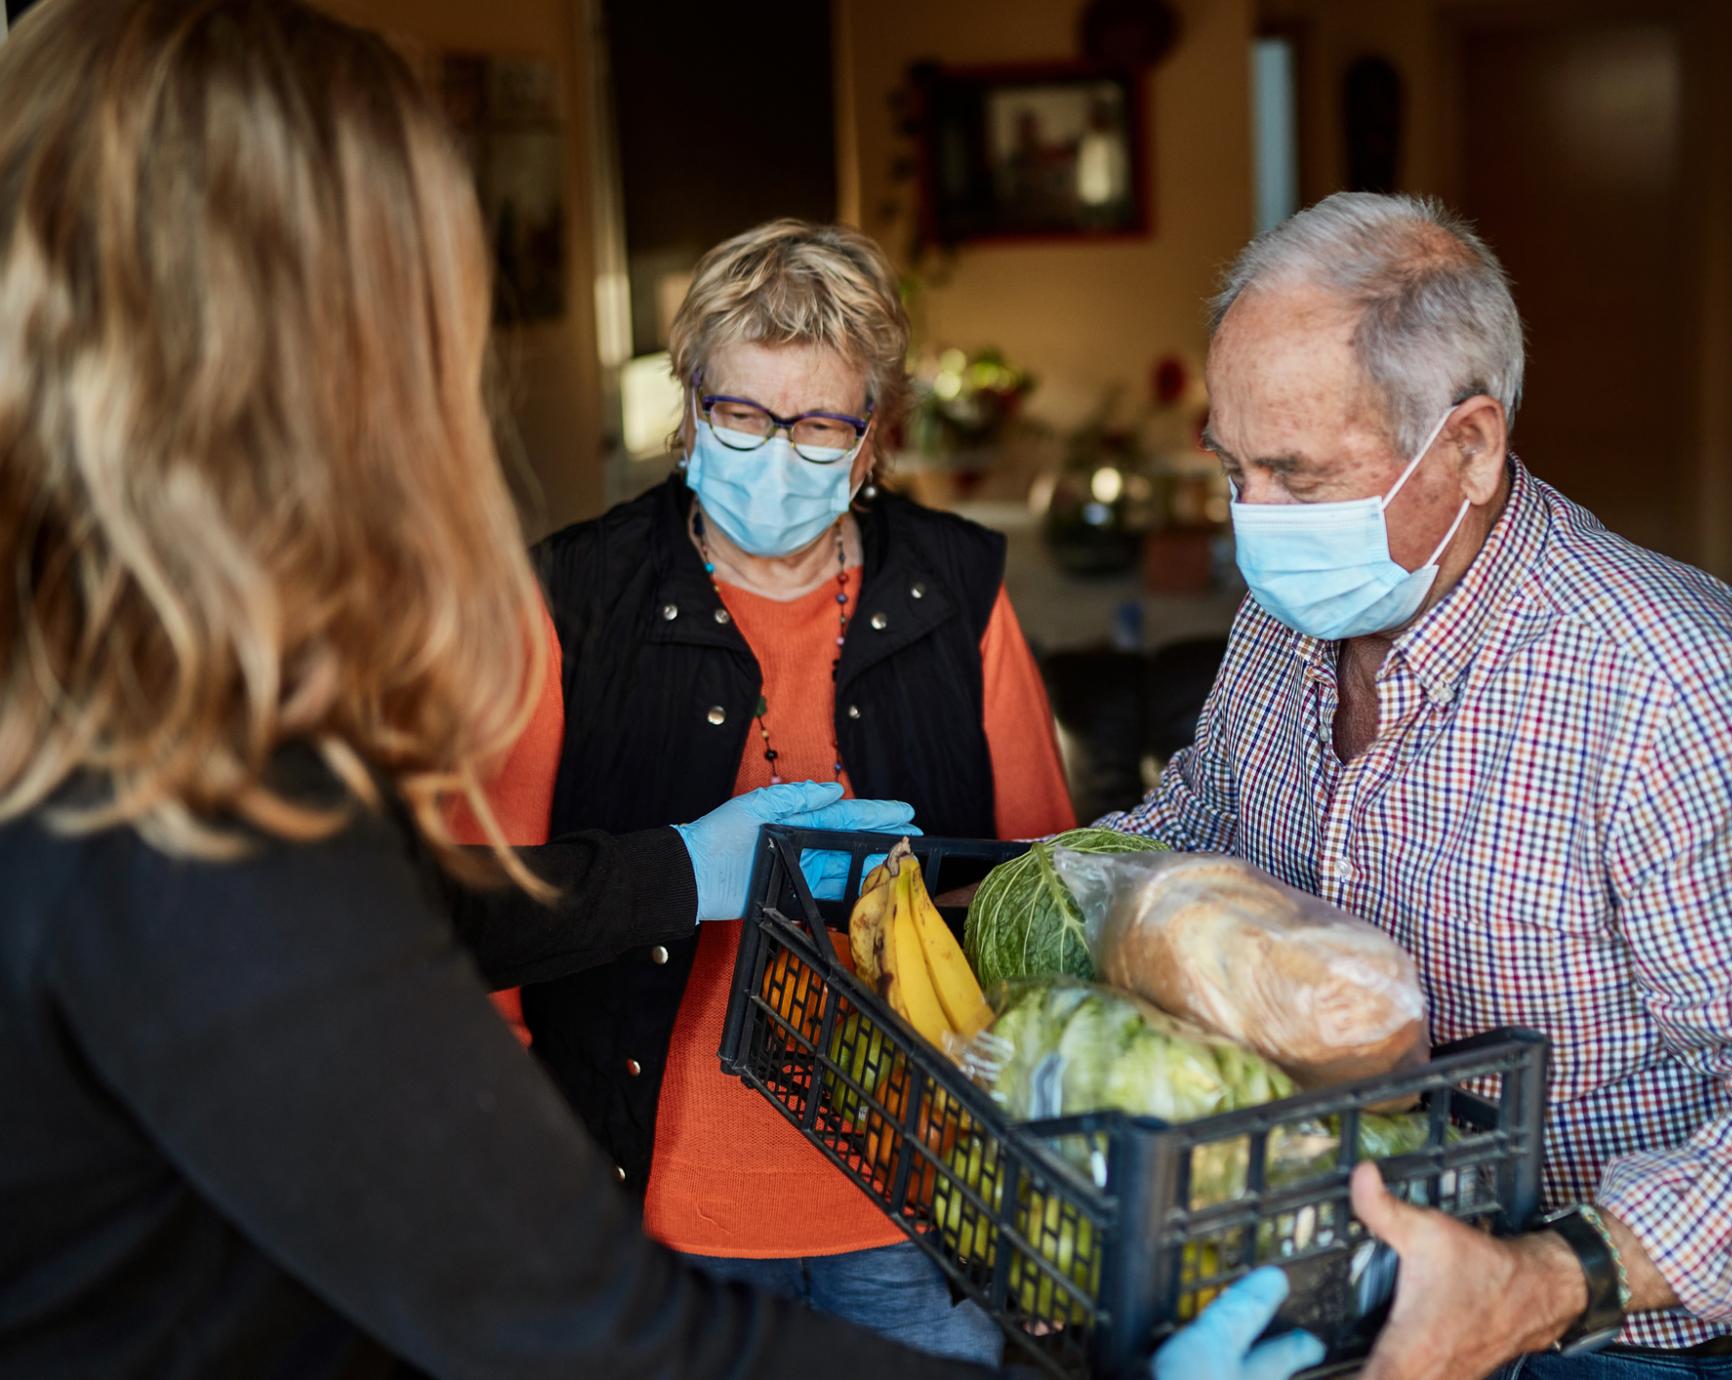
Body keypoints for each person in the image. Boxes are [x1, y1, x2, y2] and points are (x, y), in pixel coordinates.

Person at [0, 3, 1315, 1378]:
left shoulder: (151, 745)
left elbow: (433, 923)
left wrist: (690, 872)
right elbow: (593, 1325)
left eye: (821, 421)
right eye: (431, 330)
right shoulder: (200, 806)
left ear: (876, 438)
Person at [1098, 192, 1732, 1380]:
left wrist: (1542, 1284)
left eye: (1297, 475)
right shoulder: (1282, 625)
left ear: (1470, 445)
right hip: (1325, 1283)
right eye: (1233, 469)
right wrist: (1010, 891)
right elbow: (1193, 827)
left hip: (1614, 1341)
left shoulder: (1676, 692)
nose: (1255, 522)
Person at [487, 218, 1075, 1363]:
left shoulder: (956, 588)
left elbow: (1042, 890)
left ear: (875, 436)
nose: (774, 450)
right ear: (689, 402)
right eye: (741, 413)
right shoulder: (572, 598)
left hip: (917, 1210)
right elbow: (492, 904)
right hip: (660, 1213)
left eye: (818, 423)